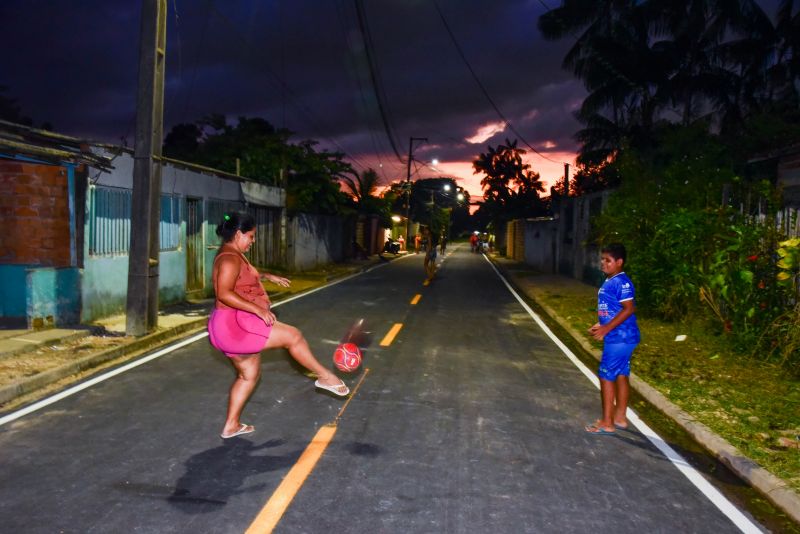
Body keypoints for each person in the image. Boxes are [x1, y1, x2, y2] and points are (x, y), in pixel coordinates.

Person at [207, 212, 349, 440]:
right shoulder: (229, 258)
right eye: (251, 237)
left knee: (248, 375)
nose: (252, 242)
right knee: (293, 336)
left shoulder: (233, 254)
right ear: (238, 233)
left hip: (227, 324)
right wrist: (258, 310)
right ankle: (325, 377)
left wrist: (266, 276)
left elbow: (243, 277)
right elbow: (223, 292)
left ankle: (231, 426)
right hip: (236, 324)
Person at [585, 243, 640, 435]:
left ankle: (607, 422)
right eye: (602, 259)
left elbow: (629, 308)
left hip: (619, 338)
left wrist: (607, 328)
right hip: (621, 335)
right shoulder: (612, 280)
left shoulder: (621, 282)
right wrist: (602, 324)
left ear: (619, 262)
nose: (603, 263)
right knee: (621, 374)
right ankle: (620, 417)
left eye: (608, 260)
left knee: (606, 376)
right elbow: (616, 309)